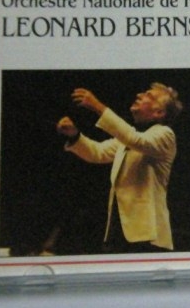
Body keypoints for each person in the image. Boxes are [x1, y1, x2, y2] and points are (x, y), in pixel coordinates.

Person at [56, 83, 182, 253]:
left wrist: (98, 106)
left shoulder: (165, 134)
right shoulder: (129, 139)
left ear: (159, 112)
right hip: (120, 230)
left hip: (148, 235)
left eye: (149, 96)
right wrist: (74, 136)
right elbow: (97, 153)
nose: (139, 95)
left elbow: (136, 140)